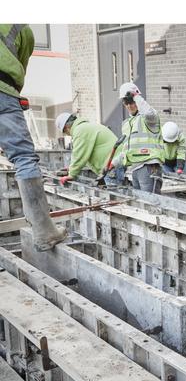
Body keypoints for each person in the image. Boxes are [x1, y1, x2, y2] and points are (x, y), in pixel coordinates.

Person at [0, 24, 66, 250]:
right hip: (3, 90)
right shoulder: (20, 28)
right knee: (24, 158)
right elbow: (20, 68)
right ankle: (44, 233)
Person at [111, 82, 164, 193]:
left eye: (131, 102)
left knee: (151, 202)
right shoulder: (127, 124)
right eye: (126, 102)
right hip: (134, 169)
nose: (129, 106)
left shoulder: (148, 119)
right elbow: (126, 151)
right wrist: (113, 163)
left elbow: (149, 113)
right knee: (140, 202)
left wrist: (135, 96)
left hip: (149, 167)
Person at [54, 112, 125, 186]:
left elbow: (79, 155)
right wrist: (71, 168)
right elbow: (85, 156)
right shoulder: (86, 126)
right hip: (116, 161)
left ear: (66, 127)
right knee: (116, 191)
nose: (68, 134)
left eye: (65, 132)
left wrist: (71, 175)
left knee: (114, 192)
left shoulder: (80, 130)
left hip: (112, 164)